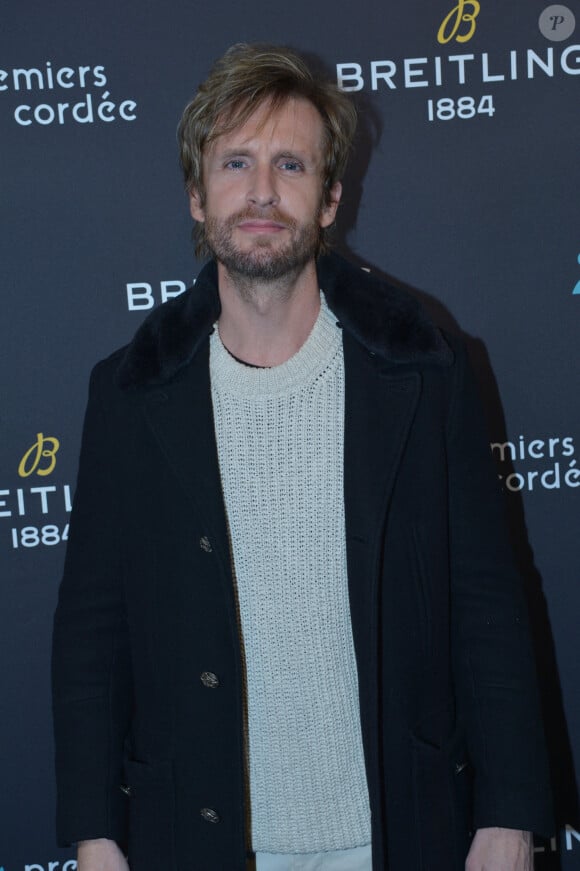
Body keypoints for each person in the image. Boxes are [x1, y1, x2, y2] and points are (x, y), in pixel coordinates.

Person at [52, 43, 553, 871]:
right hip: (199, 837)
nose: (260, 191)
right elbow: (91, 629)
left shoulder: (425, 373)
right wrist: (96, 832)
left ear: (328, 200)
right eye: (235, 162)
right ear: (195, 194)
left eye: (290, 164)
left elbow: (489, 600)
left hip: (401, 831)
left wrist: (509, 813)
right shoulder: (129, 394)